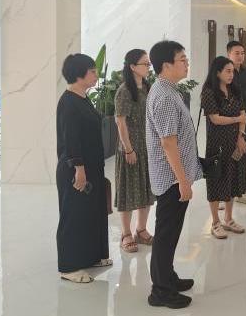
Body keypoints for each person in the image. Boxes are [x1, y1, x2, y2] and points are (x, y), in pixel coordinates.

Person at [146, 40, 202, 309]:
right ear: (166, 65)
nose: (186, 63)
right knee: (166, 234)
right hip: (171, 179)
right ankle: (161, 291)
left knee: (170, 232)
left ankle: (167, 277)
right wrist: (182, 181)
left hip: (173, 177)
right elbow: (168, 142)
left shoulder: (168, 89)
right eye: (182, 59)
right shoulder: (165, 96)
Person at [56, 53, 111, 283]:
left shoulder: (83, 97)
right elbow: (71, 140)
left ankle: (90, 257)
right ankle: (69, 267)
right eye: (92, 71)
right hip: (76, 169)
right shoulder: (68, 102)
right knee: (74, 215)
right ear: (79, 75)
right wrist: (79, 169)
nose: (96, 75)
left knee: (92, 213)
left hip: (92, 167)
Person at [201, 56, 246, 239]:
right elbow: (215, 119)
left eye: (232, 71)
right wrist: (237, 119)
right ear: (217, 72)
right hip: (217, 145)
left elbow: (244, 115)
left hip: (234, 143)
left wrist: (241, 136)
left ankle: (228, 219)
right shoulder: (209, 93)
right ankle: (215, 222)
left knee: (232, 180)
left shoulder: (235, 90)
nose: (231, 75)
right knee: (215, 181)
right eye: (227, 71)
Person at [114, 49, 156, 253]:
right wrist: (128, 149)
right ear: (132, 66)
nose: (148, 67)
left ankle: (141, 229)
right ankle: (126, 233)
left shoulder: (148, 88)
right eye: (144, 64)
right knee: (128, 191)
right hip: (130, 147)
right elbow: (120, 123)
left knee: (146, 189)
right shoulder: (124, 91)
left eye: (149, 64)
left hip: (147, 146)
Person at [227, 40, 246, 206]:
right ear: (229, 54)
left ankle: (242, 192)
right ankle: (225, 194)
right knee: (228, 157)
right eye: (236, 53)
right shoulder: (224, 73)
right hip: (228, 122)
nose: (240, 56)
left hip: (245, 120)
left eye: (242, 53)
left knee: (242, 155)